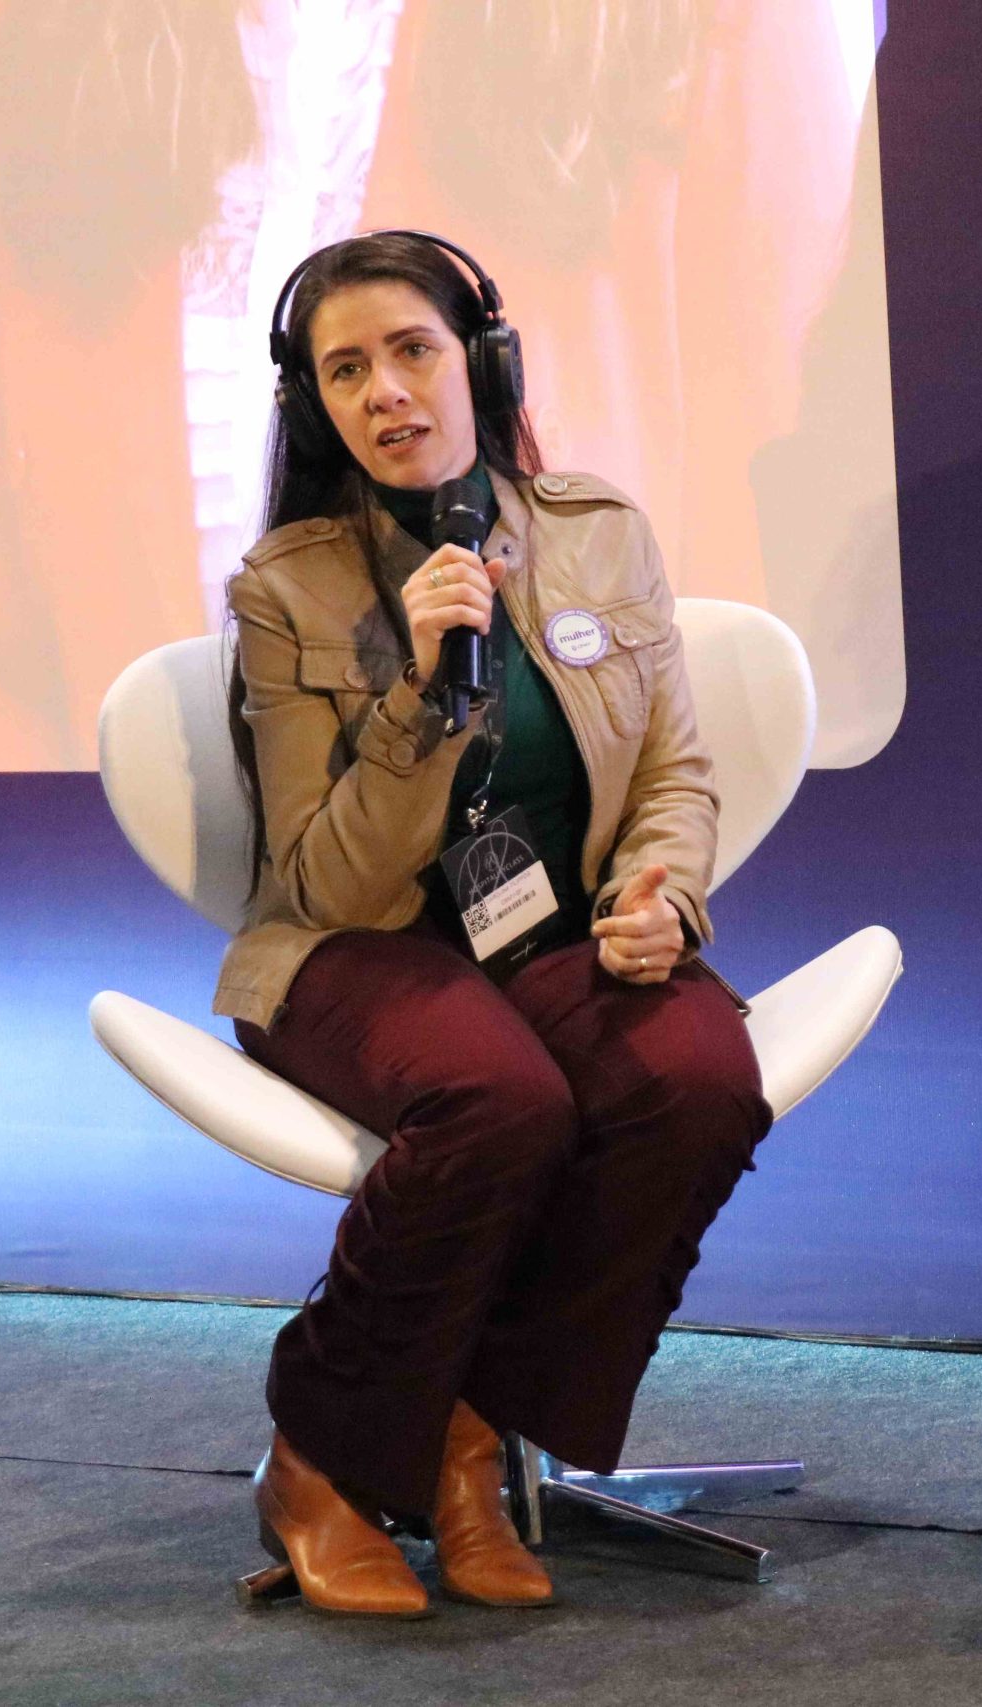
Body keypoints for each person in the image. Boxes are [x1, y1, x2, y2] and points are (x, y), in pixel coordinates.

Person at [220, 231, 770, 1617]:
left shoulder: (596, 535)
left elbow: (673, 774)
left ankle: (463, 1437)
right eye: (347, 371)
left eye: (411, 351)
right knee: (498, 1097)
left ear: (481, 362)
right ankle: (322, 1451)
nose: (387, 392)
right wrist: (415, 690)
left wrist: (660, 895)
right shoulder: (288, 593)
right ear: (317, 406)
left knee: (699, 1081)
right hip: (351, 956)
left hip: (552, 938)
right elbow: (325, 884)